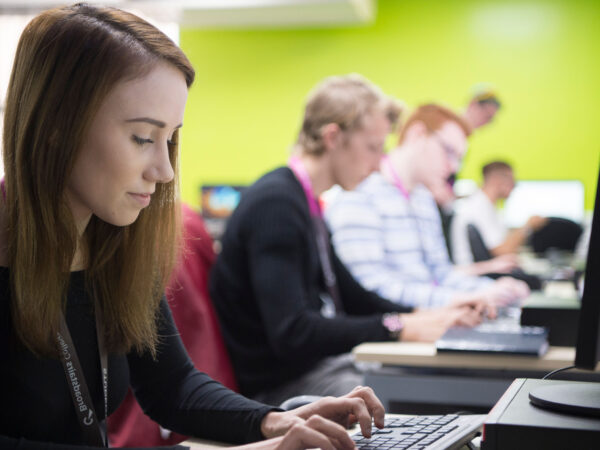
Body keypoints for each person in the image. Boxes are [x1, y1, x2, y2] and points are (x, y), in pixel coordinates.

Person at [0, 4, 400, 449]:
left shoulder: (114, 242)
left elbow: (173, 387)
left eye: (170, 139)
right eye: (142, 138)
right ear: (56, 126)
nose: (165, 170)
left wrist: (274, 421)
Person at [210, 75, 485, 407]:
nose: (379, 161)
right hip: (280, 388)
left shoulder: (306, 203)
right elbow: (293, 332)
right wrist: (398, 327)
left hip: (316, 369)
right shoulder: (277, 205)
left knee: (434, 388)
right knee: (410, 401)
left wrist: (425, 313)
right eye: (372, 147)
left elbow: (354, 297)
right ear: (333, 137)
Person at [326, 104, 530, 311]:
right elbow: (370, 290)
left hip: (428, 317)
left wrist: (494, 289)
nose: (453, 167)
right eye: (448, 151)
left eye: (458, 159)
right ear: (418, 134)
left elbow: (441, 274)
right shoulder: (359, 195)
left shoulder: (423, 200)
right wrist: (458, 298)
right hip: (390, 328)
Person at [450, 161, 548, 265]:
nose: (513, 188)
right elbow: (502, 252)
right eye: (513, 182)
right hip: (478, 274)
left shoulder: (487, 205)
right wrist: (528, 227)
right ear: (497, 180)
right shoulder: (478, 207)